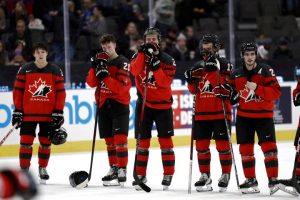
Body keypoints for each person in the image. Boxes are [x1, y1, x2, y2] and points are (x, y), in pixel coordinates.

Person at [184, 33, 237, 192]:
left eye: (209, 48)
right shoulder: (199, 66)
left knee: (222, 146)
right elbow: (194, 91)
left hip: (220, 112)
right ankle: (205, 175)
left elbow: (225, 88)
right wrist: (190, 80)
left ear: (216, 48)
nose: (206, 51)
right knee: (201, 146)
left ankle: (225, 174)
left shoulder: (225, 65)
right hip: (201, 113)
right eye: (204, 48)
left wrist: (214, 71)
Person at [228, 42, 282, 194]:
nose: (250, 57)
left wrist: (257, 88)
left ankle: (273, 181)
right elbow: (232, 96)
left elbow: (276, 93)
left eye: (252, 54)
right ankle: (251, 180)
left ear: (256, 55)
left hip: (264, 117)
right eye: (247, 54)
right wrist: (228, 94)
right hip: (244, 118)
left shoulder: (265, 70)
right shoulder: (236, 74)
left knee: (270, 150)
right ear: (242, 56)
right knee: (245, 150)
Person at [12, 42, 66, 184]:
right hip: (28, 114)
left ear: (47, 54)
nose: (40, 54)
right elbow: (18, 91)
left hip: (48, 116)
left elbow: (61, 94)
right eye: (38, 52)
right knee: (25, 143)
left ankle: (43, 168)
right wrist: (17, 110)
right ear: (34, 54)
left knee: (45, 143)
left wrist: (58, 111)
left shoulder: (55, 70)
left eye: (43, 52)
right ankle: (24, 171)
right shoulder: (25, 69)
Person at [130, 27, 176, 190]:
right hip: (144, 105)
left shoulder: (168, 60)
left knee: (166, 143)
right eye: (148, 39)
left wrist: (156, 68)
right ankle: (141, 174)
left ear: (159, 41)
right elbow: (134, 71)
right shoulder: (138, 56)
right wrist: (143, 55)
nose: (151, 42)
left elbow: (164, 83)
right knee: (142, 142)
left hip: (163, 106)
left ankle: (168, 173)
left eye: (154, 39)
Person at [86, 34, 131, 187]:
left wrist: (105, 77)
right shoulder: (101, 62)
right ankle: (114, 167)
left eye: (109, 46)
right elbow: (91, 83)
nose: (107, 49)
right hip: (103, 104)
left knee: (120, 139)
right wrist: (94, 68)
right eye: (104, 47)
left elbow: (120, 88)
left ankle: (122, 169)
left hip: (119, 104)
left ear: (115, 45)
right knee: (109, 141)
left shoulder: (123, 62)